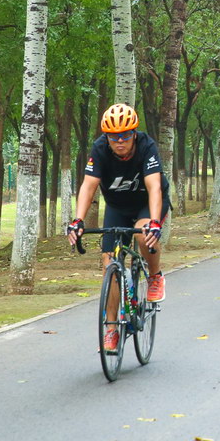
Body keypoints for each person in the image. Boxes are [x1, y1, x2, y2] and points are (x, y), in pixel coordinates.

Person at [67, 104, 170, 353]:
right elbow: (89, 185)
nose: (120, 141)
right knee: (108, 263)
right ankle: (111, 328)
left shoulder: (146, 146)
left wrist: (155, 222)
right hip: (117, 207)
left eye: (125, 136)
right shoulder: (100, 148)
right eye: (114, 137)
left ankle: (155, 277)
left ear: (134, 134)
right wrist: (77, 220)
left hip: (147, 205)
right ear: (107, 137)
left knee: (144, 236)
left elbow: (154, 186)